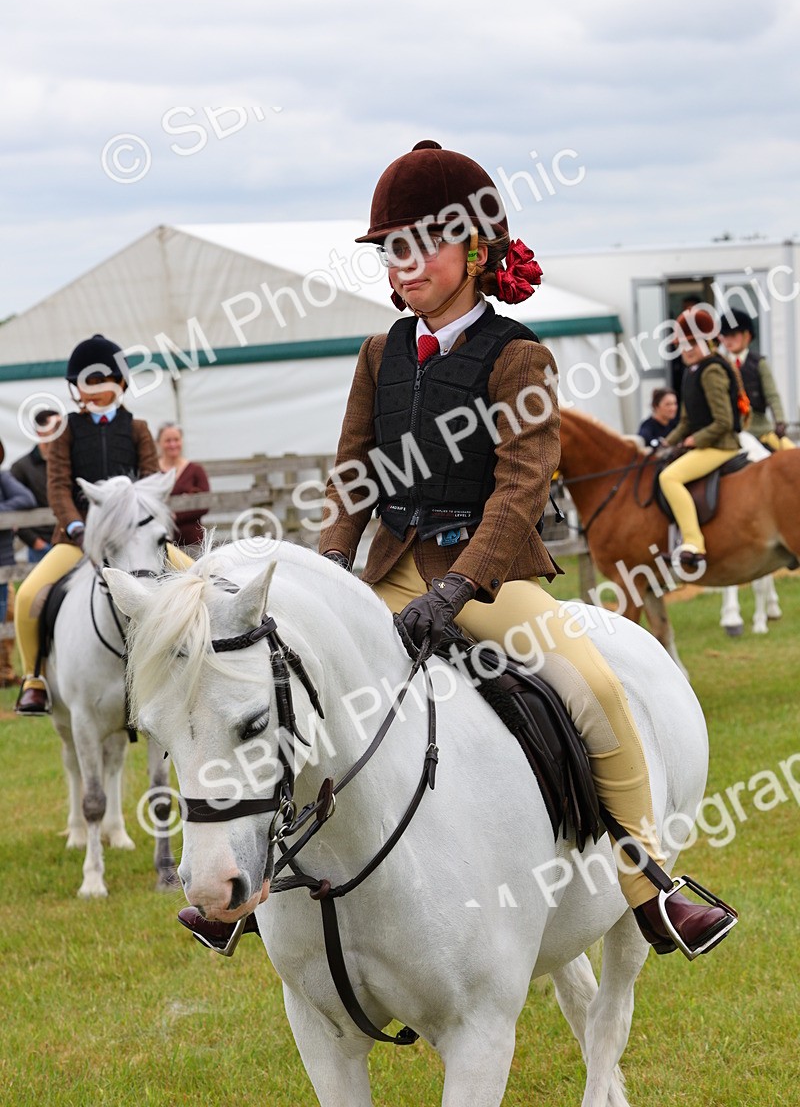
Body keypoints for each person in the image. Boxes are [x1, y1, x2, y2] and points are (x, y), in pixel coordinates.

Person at [178, 138, 737, 963]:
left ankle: (648, 884)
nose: (404, 265)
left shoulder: (517, 356)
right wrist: (330, 568)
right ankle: (255, 887)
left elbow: (521, 487)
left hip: (487, 578)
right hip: (385, 573)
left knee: (595, 693)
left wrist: (461, 586)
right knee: (290, 691)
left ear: (475, 250)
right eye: (391, 250)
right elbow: (354, 474)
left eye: (421, 245)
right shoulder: (380, 354)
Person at [14, 333, 192, 716]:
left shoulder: (137, 429)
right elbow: (58, 487)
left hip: (133, 538)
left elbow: (150, 482)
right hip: (77, 539)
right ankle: (34, 678)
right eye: (87, 383)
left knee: (196, 577)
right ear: (77, 389)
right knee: (28, 596)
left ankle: (202, 656)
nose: (94, 390)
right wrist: (76, 527)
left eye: (101, 381)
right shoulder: (65, 431)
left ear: (121, 383)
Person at [659, 306, 744, 570]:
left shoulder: (711, 371)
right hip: (706, 443)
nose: (687, 349)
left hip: (721, 445)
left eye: (692, 343)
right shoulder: (691, 372)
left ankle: (694, 543)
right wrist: (666, 442)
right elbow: (686, 421)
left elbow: (724, 421)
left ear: (707, 342)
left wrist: (695, 440)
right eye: (682, 344)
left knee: (669, 477)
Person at [719, 307, 794, 451]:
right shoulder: (720, 365)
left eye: (733, 335)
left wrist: (780, 421)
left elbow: (772, 395)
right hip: (731, 433)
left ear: (746, 335)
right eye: (725, 336)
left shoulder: (759, 363)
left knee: (792, 453)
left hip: (760, 430)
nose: (728, 340)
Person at [0, 441, 37, 686]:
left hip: (3, 563)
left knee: (6, 616)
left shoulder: (3, 478)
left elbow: (26, 498)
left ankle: (4, 673)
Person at [10, 408, 62, 562]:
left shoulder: (69, 463)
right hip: (42, 545)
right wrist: (34, 542)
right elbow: (12, 508)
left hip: (70, 540)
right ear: (41, 431)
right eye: (56, 426)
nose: (62, 431)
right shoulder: (21, 467)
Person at [156, 422, 210, 549]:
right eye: (168, 440)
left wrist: (175, 516)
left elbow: (205, 504)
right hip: (159, 540)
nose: (173, 444)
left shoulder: (196, 470)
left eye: (176, 440)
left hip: (192, 540)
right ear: (159, 443)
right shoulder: (152, 471)